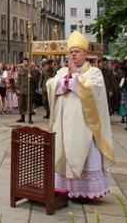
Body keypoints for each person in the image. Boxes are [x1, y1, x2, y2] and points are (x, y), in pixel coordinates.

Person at [46, 31, 114, 200]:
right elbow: (51, 85)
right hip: (63, 124)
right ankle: (64, 188)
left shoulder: (94, 73)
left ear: (85, 54)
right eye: (71, 52)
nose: (73, 54)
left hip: (84, 125)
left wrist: (74, 77)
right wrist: (65, 79)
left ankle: (87, 191)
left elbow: (94, 90)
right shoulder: (62, 71)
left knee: (84, 150)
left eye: (77, 51)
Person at [16, 58, 33, 123]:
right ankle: (22, 117)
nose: (25, 63)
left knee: (28, 104)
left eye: (26, 62)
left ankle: (29, 118)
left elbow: (35, 80)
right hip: (22, 89)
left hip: (28, 90)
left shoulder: (31, 70)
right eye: (24, 62)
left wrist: (31, 77)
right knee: (21, 104)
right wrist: (18, 88)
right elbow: (19, 79)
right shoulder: (21, 70)